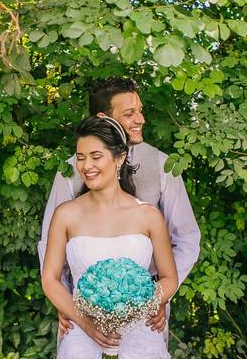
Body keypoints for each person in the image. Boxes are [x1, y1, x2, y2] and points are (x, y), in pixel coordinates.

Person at [38, 78, 201, 338]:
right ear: (103, 118)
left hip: (148, 315)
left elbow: (187, 239)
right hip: (82, 311)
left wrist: (159, 297)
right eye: (129, 113)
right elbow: (50, 244)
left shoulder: (163, 165)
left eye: (140, 111)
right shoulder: (70, 171)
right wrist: (68, 304)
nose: (140, 119)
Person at [41, 116, 177, 358]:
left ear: (120, 158)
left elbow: (169, 279)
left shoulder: (148, 215)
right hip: (81, 330)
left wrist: (140, 307)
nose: (86, 166)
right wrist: (86, 323)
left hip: (141, 330)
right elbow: (50, 279)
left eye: (95, 157)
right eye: (80, 158)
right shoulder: (65, 215)